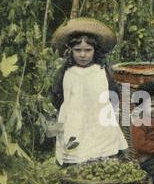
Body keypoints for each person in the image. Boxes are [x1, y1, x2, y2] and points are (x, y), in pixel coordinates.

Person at [50, 18, 128, 166]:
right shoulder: (66, 72)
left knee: (102, 152)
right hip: (74, 120)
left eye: (87, 50)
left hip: (99, 120)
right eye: (78, 50)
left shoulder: (101, 70)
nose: (82, 55)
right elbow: (56, 95)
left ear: (95, 51)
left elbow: (114, 94)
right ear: (70, 51)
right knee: (75, 152)